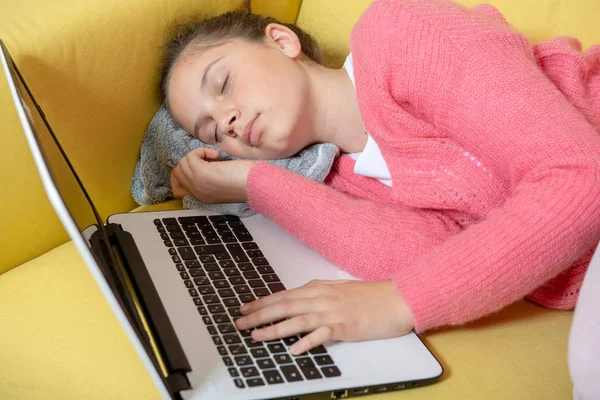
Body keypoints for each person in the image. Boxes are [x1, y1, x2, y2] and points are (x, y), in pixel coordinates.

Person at [161, 0, 600, 359]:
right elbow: (438, 256)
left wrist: (400, 301)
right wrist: (253, 182)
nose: (228, 121)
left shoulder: (400, 34)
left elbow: (581, 178)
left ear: (280, 40)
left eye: (223, 83)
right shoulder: (340, 181)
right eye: (213, 132)